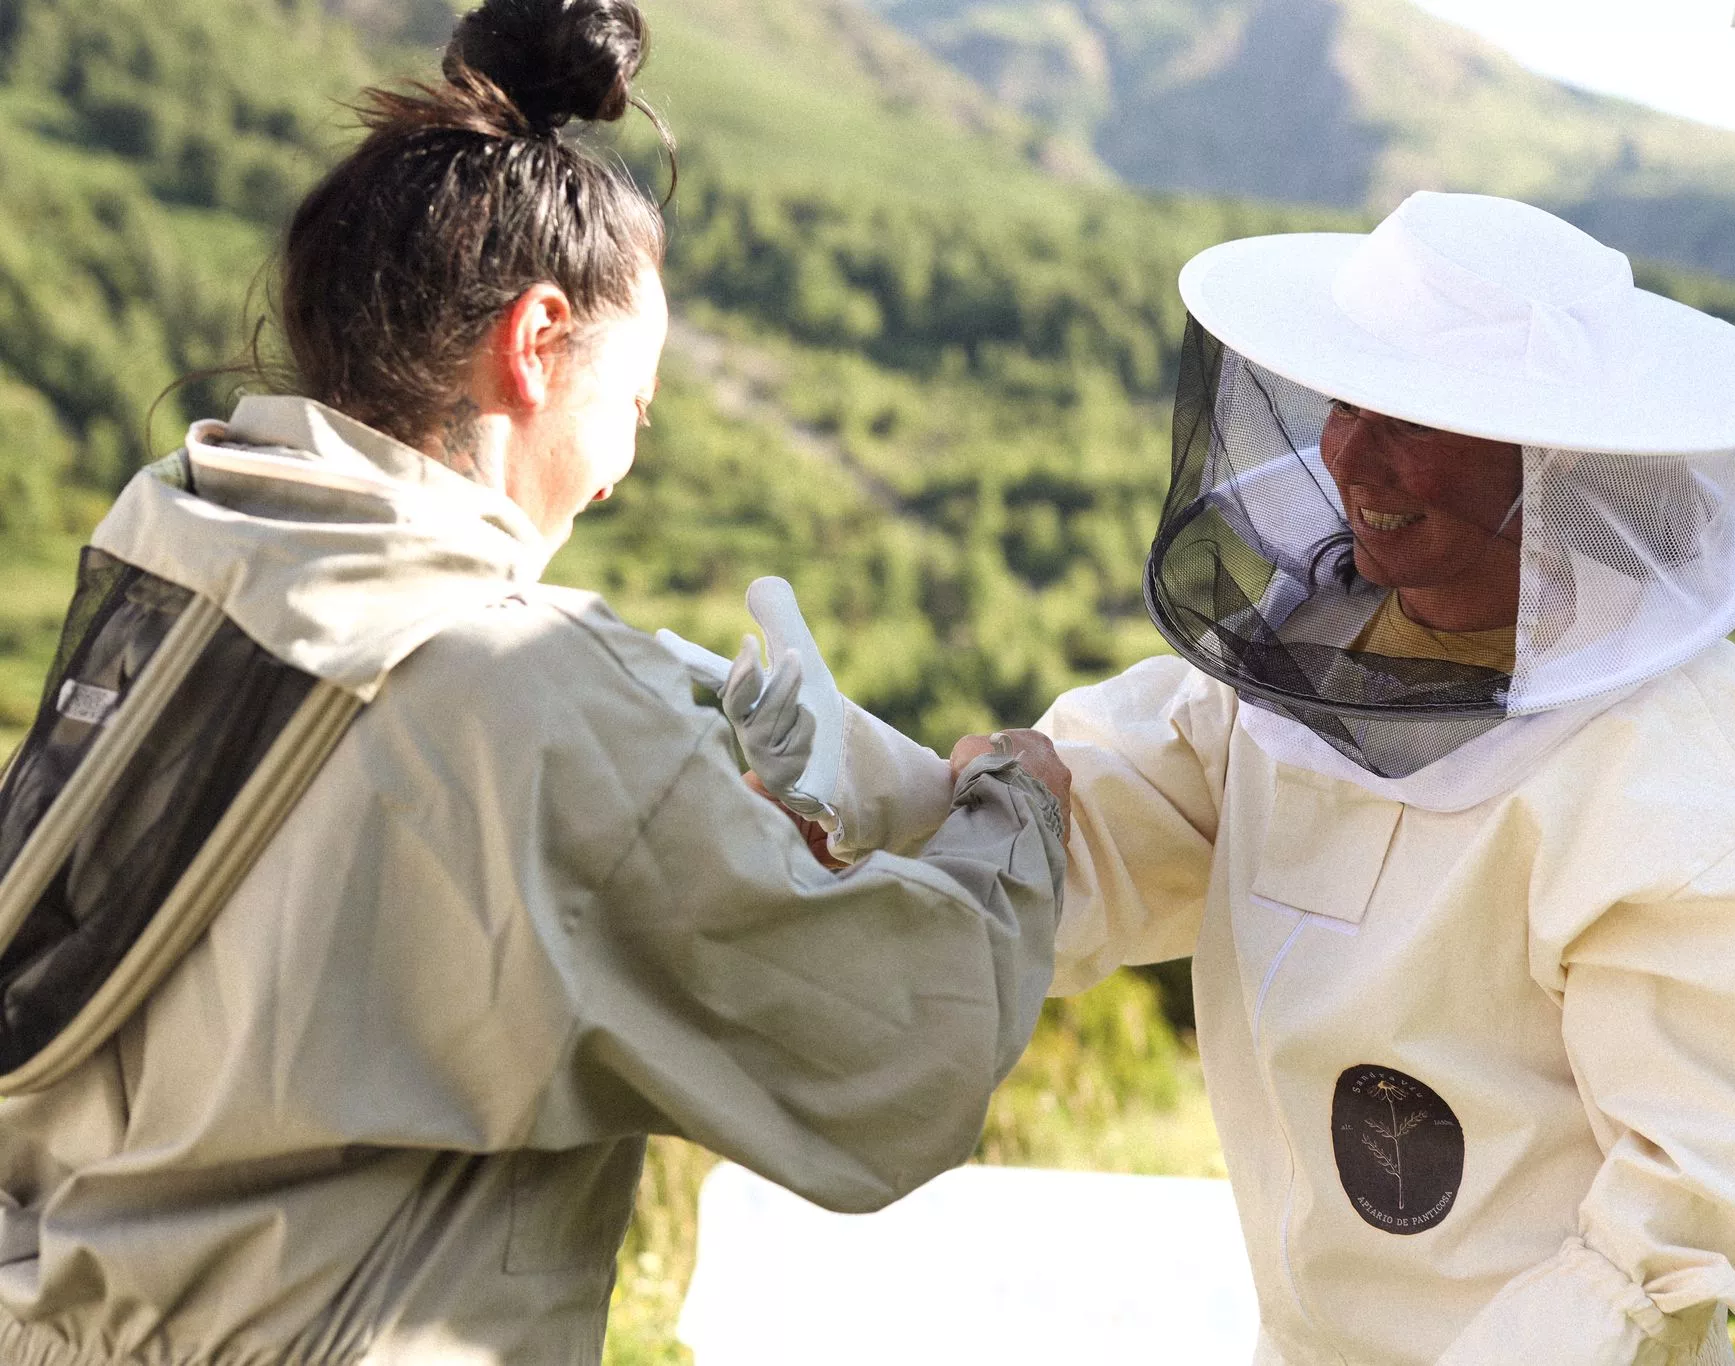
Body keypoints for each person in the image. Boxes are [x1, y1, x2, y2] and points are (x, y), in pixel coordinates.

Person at [0, 2, 1068, 1363]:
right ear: (535, 338)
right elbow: (899, 1046)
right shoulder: (528, 686)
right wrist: (1010, 813)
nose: (629, 457)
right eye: (635, 398)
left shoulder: (183, 549)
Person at [764, 193, 1735, 1364]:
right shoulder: (1315, 642)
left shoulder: (1667, 774)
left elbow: (1707, 1193)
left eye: (1408, 419)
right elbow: (1088, 821)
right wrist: (864, 794)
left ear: (1543, 455)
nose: (1347, 454)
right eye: (1346, 402)